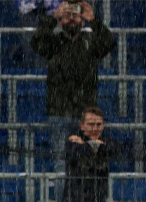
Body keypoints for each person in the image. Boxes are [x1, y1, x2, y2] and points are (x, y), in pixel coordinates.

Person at [30, 0, 115, 182]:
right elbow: (36, 42)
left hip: (86, 117)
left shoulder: (90, 42)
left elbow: (109, 43)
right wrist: (52, 17)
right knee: (63, 169)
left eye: (75, 15)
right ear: (61, 21)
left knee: (89, 167)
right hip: (59, 114)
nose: (71, 19)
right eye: (67, 16)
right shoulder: (54, 43)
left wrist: (93, 19)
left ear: (82, 20)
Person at [63, 107, 118, 202]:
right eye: (91, 124)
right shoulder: (71, 140)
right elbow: (76, 153)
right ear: (82, 126)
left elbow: (114, 149)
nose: (95, 129)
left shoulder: (107, 140)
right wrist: (94, 145)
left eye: (99, 125)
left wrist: (86, 145)